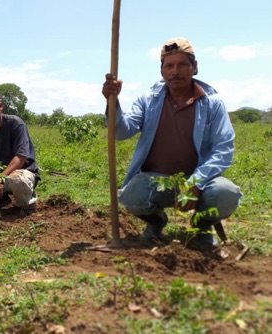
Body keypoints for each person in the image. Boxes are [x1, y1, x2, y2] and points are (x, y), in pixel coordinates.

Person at [102, 37, 243, 249]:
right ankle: (157, 223)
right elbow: (122, 132)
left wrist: (195, 182)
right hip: (156, 181)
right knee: (131, 196)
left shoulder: (212, 103)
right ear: (162, 71)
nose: (175, 71)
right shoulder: (148, 100)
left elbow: (223, 149)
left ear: (194, 68)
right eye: (169, 66)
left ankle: (202, 226)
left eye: (182, 65)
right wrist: (113, 101)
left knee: (225, 194)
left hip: (200, 182)